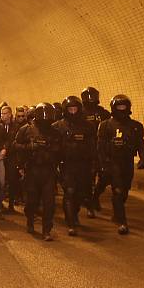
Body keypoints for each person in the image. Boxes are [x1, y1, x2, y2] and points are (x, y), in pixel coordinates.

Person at [97, 95, 144, 234]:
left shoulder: (136, 126)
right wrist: (103, 163)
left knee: (124, 191)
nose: (121, 110)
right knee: (118, 190)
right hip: (113, 162)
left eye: (124, 107)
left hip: (127, 163)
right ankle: (122, 222)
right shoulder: (106, 125)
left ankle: (117, 212)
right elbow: (100, 147)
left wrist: (142, 158)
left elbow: (140, 143)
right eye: (119, 107)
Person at [15, 103, 61, 241]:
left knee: (49, 202)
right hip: (32, 169)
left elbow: (60, 149)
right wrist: (30, 147)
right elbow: (15, 145)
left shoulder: (55, 132)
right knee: (32, 201)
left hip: (48, 171)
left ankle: (47, 229)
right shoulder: (26, 130)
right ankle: (30, 220)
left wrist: (51, 148)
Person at [52, 96, 96, 236]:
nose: (72, 112)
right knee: (69, 191)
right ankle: (70, 222)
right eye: (70, 109)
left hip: (83, 165)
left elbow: (93, 146)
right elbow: (53, 147)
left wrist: (95, 163)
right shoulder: (58, 126)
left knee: (80, 193)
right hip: (66, 165)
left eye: (75, 109)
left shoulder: (87, 126)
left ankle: (74, 213)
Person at [82, 87, 112, 215]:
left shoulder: (103, 113)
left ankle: (95, 196)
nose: (91, 98)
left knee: (105, 176)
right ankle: (90, 203)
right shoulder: (80, 113)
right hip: (86, 150)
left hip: (102, 149)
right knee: (88, 177)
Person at [0, 105, 21, 215]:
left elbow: (15, 141)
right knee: (0, 182)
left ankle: (11, 204)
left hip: (12, 157)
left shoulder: (16, 126)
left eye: (5, 113)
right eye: (2, 113)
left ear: (10, 114)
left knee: (12, 180)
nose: (3, 115)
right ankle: (0, 203)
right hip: (0, 157)